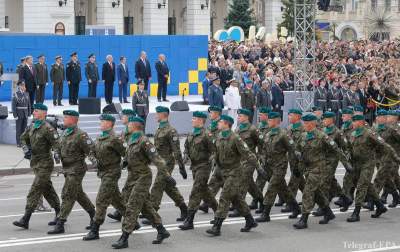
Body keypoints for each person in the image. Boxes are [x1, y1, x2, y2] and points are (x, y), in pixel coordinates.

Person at [111, 116, 172, 249]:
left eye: (129, 124)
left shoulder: (145, 141)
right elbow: (128, 155)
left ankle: (124, 237)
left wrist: (167, 175)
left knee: (132, 206)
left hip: (143, 177)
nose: (127, 126)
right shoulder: (131, 139)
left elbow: (157, 160)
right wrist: (125, 162)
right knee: (144, 207)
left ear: (134, 125)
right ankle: (162, 231)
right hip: (132, 176)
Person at [293, 113, 351, 229]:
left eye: (307, 123)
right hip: (307, 169)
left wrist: (346, 164)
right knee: (317, 193)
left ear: (313, 124)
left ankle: (303, 219)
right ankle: (328, 213)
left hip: (319, 168)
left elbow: (336, 149)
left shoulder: (322, 136)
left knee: (308, 192)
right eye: (304, 123)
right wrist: (297, 167)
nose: (304, 125)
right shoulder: (303, 136)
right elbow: (297, 150)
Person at [206, 114, 258, 236]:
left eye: (220, 122)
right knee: (236, 198)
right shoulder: (219, 136)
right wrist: (213, 162)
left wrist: (259, 168)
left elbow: (247, 154)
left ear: (226, 124)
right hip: (222, 171)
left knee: (224, 196)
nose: (218, 123)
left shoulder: (235, 138)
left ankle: (217, 226)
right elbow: (217, 153)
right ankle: (250, 220)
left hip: (234, 172)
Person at [13, 103, 61, 230]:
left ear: (44, 113)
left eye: (36, 110)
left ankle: (25, 219)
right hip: (35, 163)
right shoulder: (33, 125)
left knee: (35, 189)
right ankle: (59, 213)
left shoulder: (48, 128)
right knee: (47, 190)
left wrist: (57, 155)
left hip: (45, 163)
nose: (33, 112)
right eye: (34, 110)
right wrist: (26, 150)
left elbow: (57, 143)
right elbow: (23, 138)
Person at [48, 110, 95, 234]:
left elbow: (91, 151)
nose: (64, 119)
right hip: (67, 168)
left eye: (67, 117)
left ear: (74, 120)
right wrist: (57, 154)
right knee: (78, 194)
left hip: (77, 169)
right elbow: (58, 146)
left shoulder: (81, 135)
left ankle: (60, 223)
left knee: (68, 194)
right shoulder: (65, 133)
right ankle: (93, 214)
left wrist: (96, 163)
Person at [346, 114, 400, 223]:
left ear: (360, 122)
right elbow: (350, 148)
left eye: (355, 122)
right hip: (357, 164)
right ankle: (380, 206)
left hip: (368, 163)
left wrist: (396, 158)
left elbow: (385, 145)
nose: (353, 124)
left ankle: (356, 213)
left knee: (362, 186)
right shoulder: (353, 133)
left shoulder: (370, 133)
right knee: (368, 186)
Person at [83, 114, 126, 241]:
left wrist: (123, 165)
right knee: (116, 200)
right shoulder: (100, 137)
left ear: (109, 123)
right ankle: (133, 221)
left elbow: (126, 154)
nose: (100, 123)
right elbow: (91, 151)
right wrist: (93, 160)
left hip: (112, 173)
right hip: (103, 173)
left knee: (101, 200)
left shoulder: (115, 139)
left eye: (103, 121)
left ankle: (95, 229)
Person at [145, 106, 188, 224]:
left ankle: (152, 214)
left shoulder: (171, 130)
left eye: (157, 114)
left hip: (167, 163)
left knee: (157, 186)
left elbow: (176, 150)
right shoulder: (160, 128)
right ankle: (184, 208)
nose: (155, 116)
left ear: (163, 114)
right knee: (168, 187)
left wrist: (181, 166)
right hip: (160, 162)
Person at [256, 111, 301, 223]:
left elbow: (294, 149)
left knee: (271, 187)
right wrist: (262, 162)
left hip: (280, 166)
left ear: (277, 121)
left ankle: (265, 213)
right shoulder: (268, 133)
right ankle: (296, 208)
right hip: (269, 166)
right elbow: (264, 150)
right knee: (284, 189)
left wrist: (297, 165)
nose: (268, 121)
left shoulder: (283, 134)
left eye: (270, 120)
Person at [179, 111, 218, 230]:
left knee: (195, 191)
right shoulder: (191, 133)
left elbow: (214, 150)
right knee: (204, 191)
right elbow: (186, 147)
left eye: (194, 118)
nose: (192, 120)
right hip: (194, 167)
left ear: (201, 120)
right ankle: (219, 211)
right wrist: (185, 155)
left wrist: (212, 161)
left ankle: (189, 220)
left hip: (204, 166)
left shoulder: (207, 134)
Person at [229, 108, 265, 218]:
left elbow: (262, 143)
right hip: (240, 160)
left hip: (250, 160)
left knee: (242, 183)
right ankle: (261, 200)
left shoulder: (253, 129)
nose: (238, 117)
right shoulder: (238, 129)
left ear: (246, 117)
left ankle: (240, 208)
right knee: (250, 185)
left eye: (240, 116)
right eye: (238, 116)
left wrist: (260, 156)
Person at [198, 106, 223, 213]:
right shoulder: (211, 124)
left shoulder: (221, 124)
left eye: (212, 112)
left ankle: (207, 203)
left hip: (221, 156)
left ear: (217, 113)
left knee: (217, 181)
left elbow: (219, 141)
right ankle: (207, 203)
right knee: (217, 181)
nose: (210, 114)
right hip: (214, 156)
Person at [12, 80, 31, 147]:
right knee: (19, 129)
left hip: (25, 113)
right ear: (19, 86)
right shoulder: (16, 94)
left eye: (24, 85)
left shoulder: (27, 94)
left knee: (24, 129)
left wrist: (29, 113)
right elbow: (13, 106)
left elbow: (29, 105)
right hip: (19, 114)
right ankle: (18, 143)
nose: (24, 86)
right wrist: (15, 115)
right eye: (22, 85)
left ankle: (23, 142)